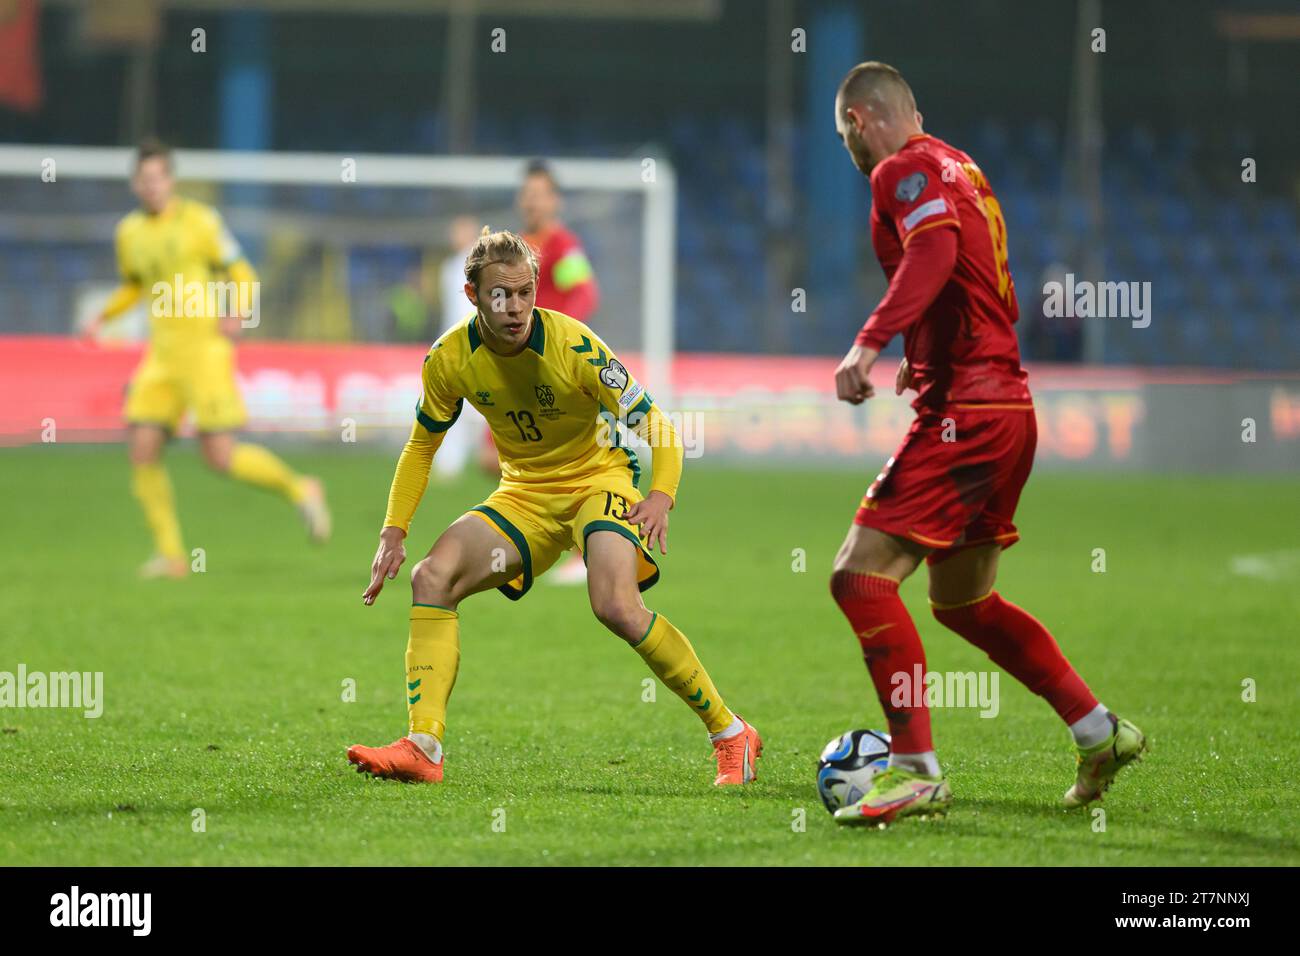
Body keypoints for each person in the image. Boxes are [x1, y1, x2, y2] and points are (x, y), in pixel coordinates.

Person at [826, 63, 1145, 825]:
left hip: (965, 413)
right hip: (1006, 405)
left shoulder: (900, 169)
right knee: (964, 603)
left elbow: (935, 256)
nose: (850, 150)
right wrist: (926, 352)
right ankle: (1098, 730)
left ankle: (913, 768)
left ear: (864, 120)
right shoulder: (959, 165)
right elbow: (985, 282)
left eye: (845, 134)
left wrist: (870, 344)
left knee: (858, 580)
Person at [348, 228, 760, 786]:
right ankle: (424, 746)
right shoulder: (449, 359)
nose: (515, 307)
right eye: (500, 295)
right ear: (473, 296)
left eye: (524, 292)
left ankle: (730, 732)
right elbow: (423, 444)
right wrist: (393, 531)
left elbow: (658, 426)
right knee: (432, 576)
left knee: (614, 603)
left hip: (600, 480)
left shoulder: (576, 346)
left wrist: (662, 494)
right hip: (525, 494)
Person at [87, 139, 330, 579]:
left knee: (218, 456)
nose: (153, 186)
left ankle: (300, 487)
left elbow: (242, 273)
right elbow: (135, 286)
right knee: (142, 449)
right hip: (160, 357)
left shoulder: (201, 222)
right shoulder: (129, 233)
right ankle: (172, 555)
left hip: (205, 353)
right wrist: (103, 315)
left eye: (159, 177)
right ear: (136, 184)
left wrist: (237, 312)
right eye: (145, 179)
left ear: (171, 180)